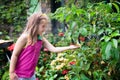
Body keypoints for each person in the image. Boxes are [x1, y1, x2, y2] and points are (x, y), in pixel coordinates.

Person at [9, 13, 80, 80]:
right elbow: (15, 55)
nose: (44, 29)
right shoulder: (25, 37)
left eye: (45, 26)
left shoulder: (40, 38)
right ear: (35, 25)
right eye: (43, 26)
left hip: (31, 75)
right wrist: (11, 72)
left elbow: (53, 49)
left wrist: (69, 47)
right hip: (20, 75)